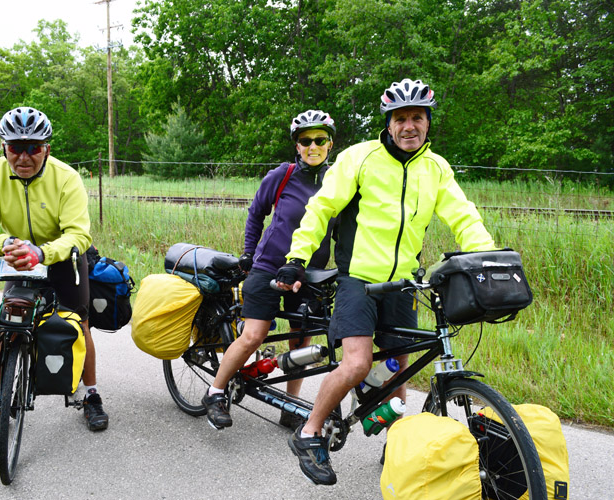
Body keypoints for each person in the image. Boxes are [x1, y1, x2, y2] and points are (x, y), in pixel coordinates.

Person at [275, 79, 498, 485]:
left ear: (428, 123)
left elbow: (463, 216)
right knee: (358, 363)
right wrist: (296, 258)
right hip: (358, 278)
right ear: (389, 123)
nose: (409, 126)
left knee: (398, 370)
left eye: (417, 117)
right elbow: (321, 208)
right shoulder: (361, 158)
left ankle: (396, 447)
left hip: (403, 283)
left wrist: (485, 256)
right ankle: (309, 433)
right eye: (401, 118)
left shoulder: (436, 168)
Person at [0, 106, 109, 445]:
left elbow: (79, 234)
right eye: (15, 148)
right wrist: (2, 244)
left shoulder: (66, 177)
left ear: (46, 149)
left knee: (78, 323)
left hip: (61, 256)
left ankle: (90, 394)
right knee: (7, 324)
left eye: (33, 148)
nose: (24, 156)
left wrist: (43, 252)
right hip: (15, 253)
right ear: (4, 149)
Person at [201, 110, 338, 431]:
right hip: (267, 267)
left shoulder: (337, 182)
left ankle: (290, 405)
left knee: (300, 342)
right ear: (297, 145)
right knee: (254, 334)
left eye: (319, 139)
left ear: (330, 144)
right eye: (306, 140)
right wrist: (249, 253)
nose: (312, 146)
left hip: (308, 274)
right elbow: (256, 213)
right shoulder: (283, 175)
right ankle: (216, 392)